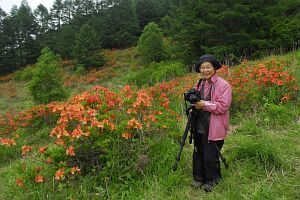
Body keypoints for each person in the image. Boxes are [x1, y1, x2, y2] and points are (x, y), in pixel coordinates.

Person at [190, 54, 232, 192]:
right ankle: (198, 178)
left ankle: (212, 181)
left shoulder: (223, 85)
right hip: (199, 124)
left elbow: (222, 106)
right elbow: (194, 99)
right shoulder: (199, 84)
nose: (205, 70)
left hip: (215, 126)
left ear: (214, 68)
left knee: (210, 154)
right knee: (198, 152)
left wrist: (204, 105)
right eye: (202, 68)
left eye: (208, 67)